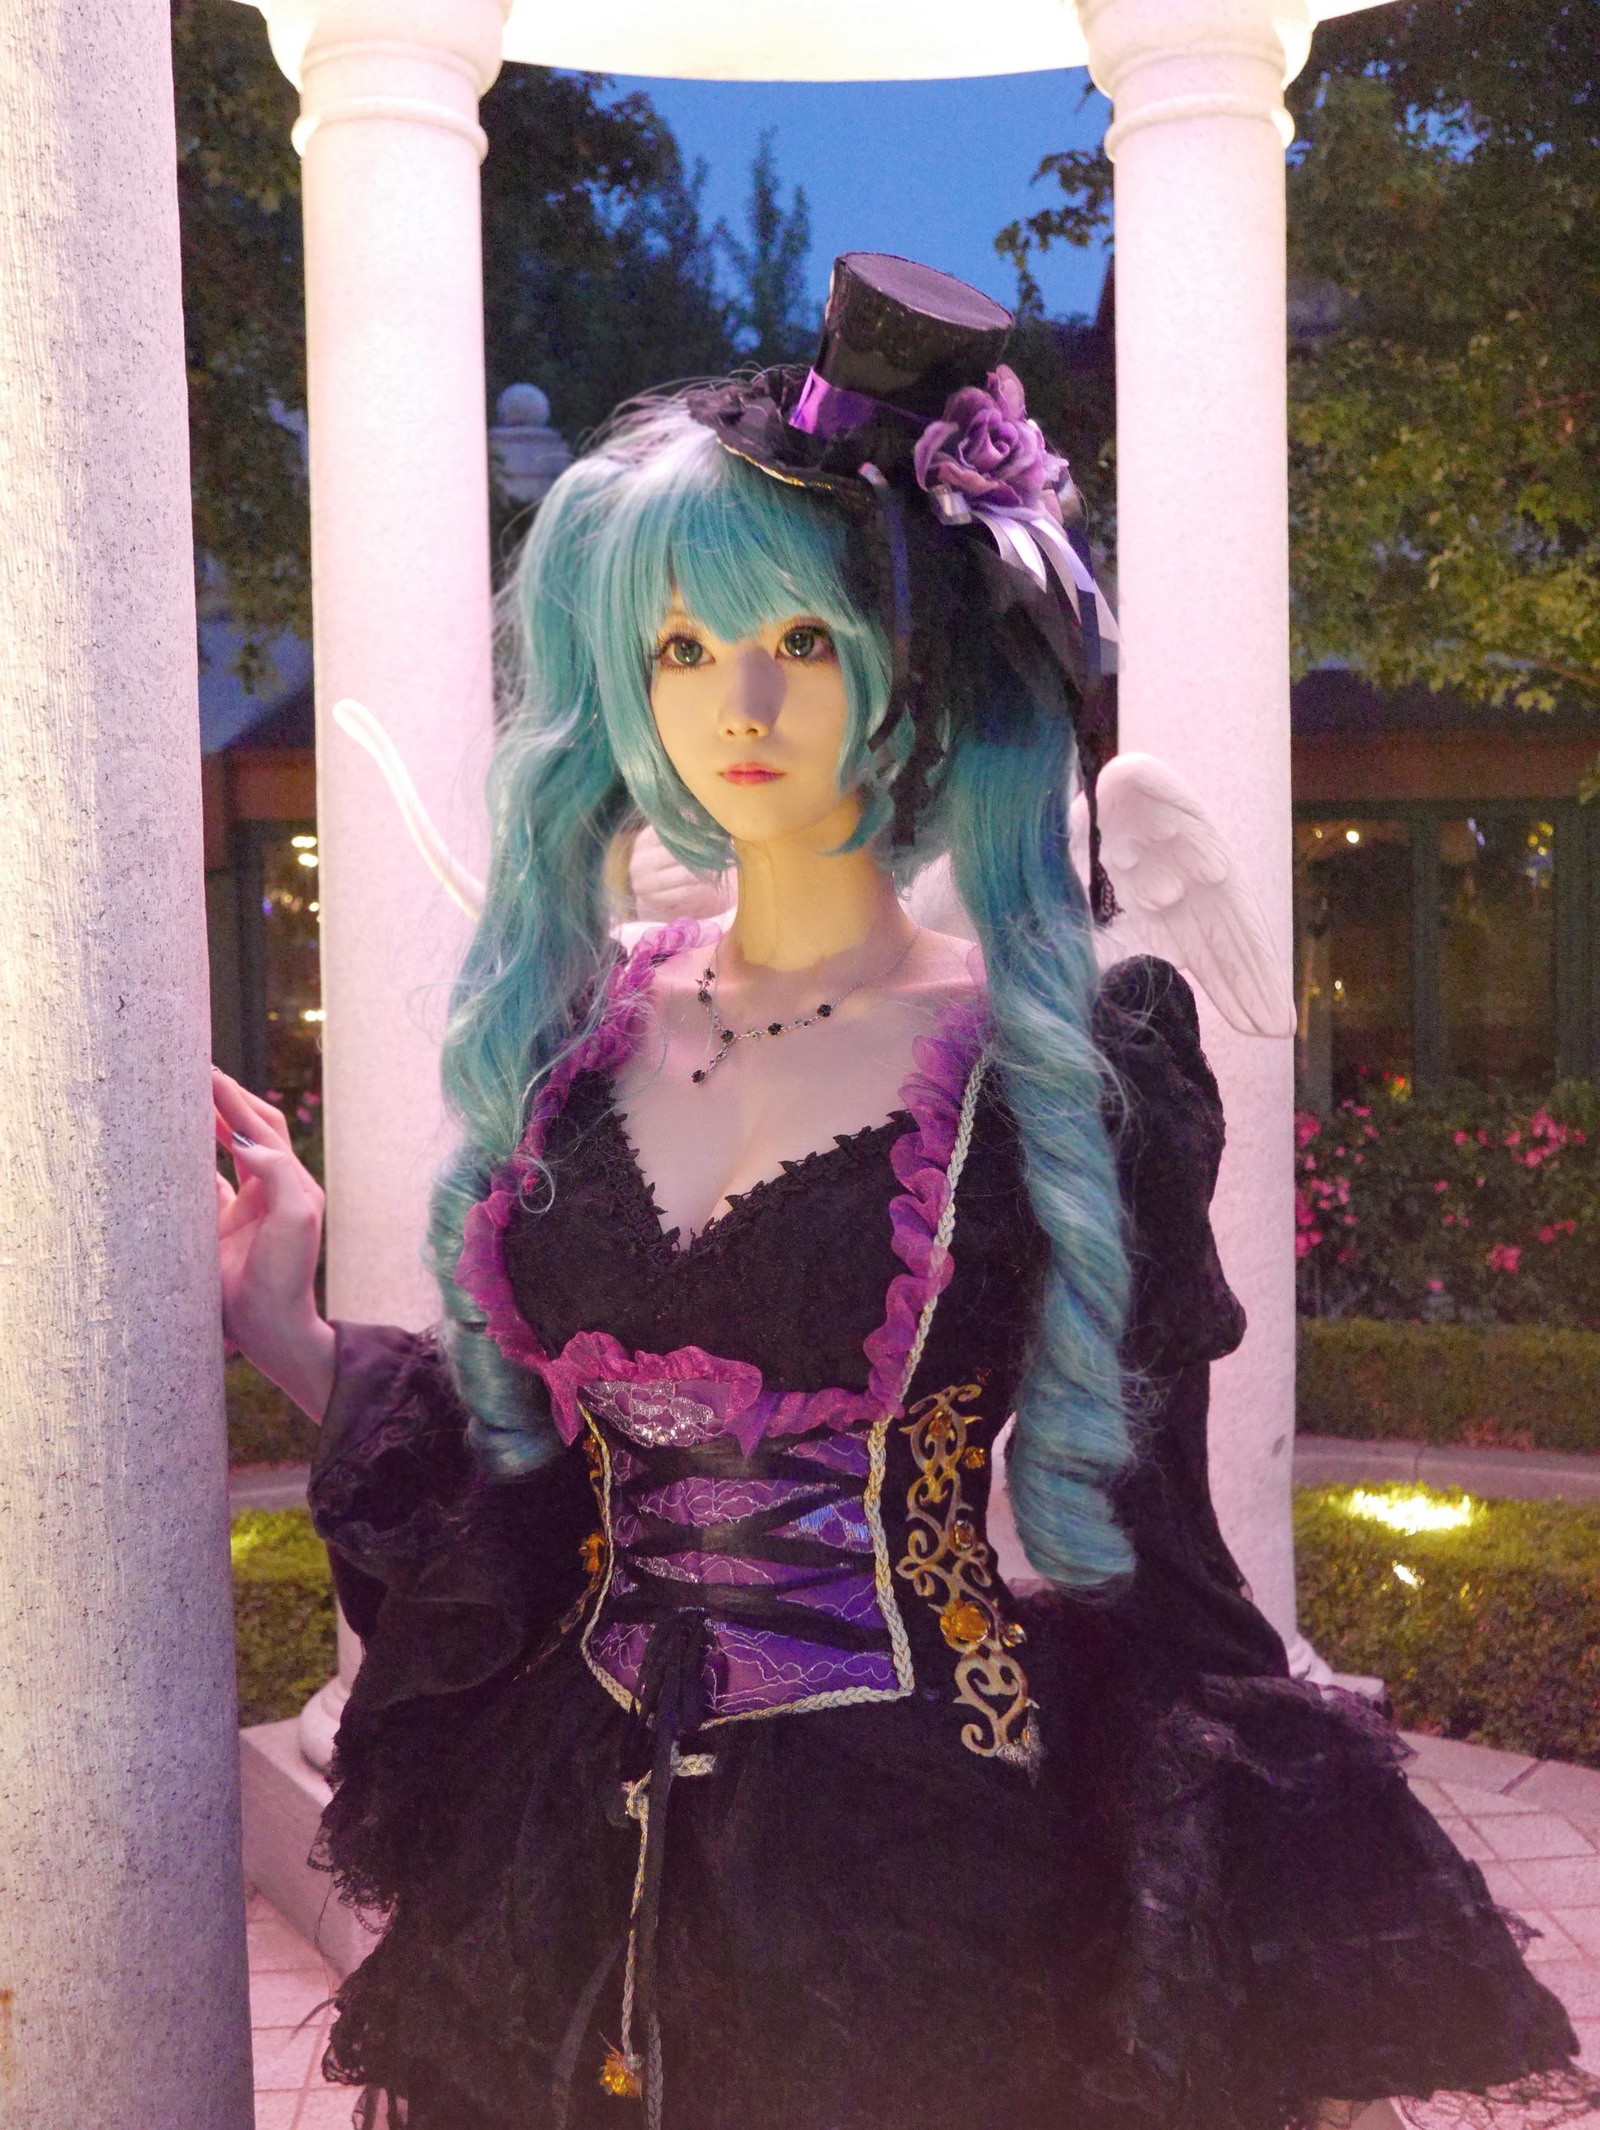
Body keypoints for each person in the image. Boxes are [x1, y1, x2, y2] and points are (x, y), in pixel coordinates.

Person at [213, 256, 1594, 2130]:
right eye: (680, 649)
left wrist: (1265, 1969)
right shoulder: (572, 1039)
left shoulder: (1057, 1068)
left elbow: (1165, 1551)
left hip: (926, 1859)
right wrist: (291, 1328)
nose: (736, 701)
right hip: (569, 1855)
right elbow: (527, 1487)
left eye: (797, 636)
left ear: (904, 663)